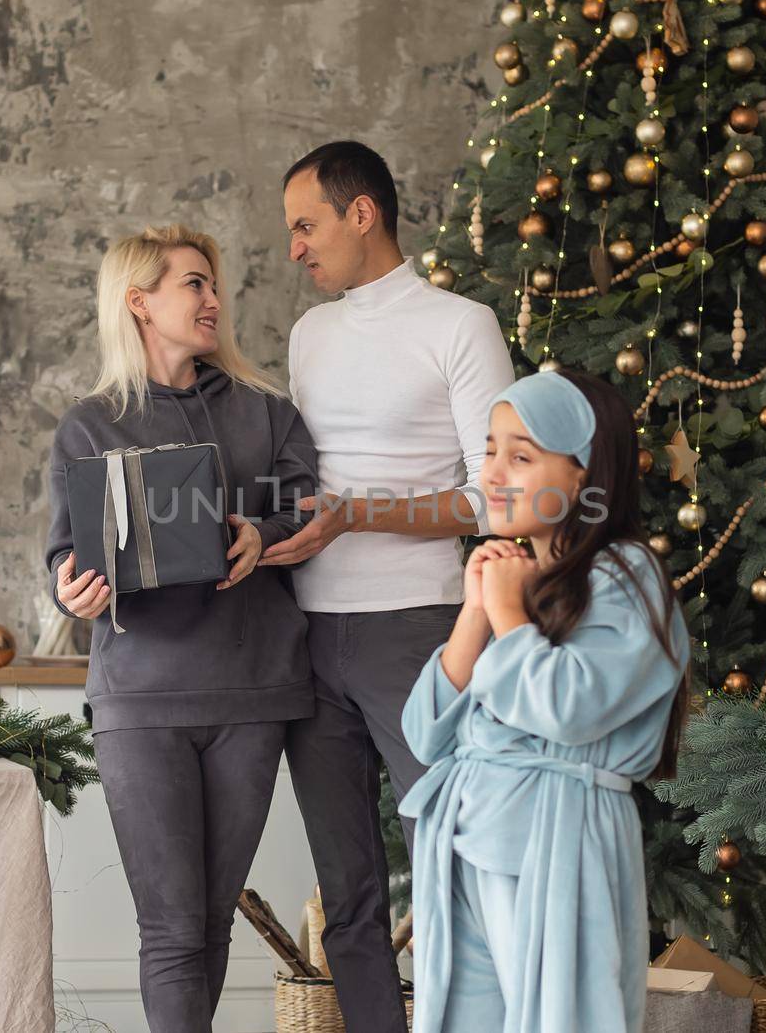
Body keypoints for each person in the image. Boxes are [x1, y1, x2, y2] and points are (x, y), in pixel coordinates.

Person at [262, 140, 516, 1032]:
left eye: (306, 224)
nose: (295, 248)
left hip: (421, 634)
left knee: (453, 866)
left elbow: (502, 495)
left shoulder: (460, 325)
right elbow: (306, 475)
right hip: (310, 636)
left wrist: (357, 513)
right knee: (348, 894)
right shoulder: (311, 334)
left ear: (361, 212)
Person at [43, 224, 319, 1033]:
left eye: (212, 283)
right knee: (170, 928)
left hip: (251, 692)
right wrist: (74, 592)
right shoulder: (88, 427)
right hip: (141, 701)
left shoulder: (266, 412)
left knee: (208, 924)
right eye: (192, 283)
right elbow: (65, 556)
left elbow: (308, 504)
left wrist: (261, 536)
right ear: (139, 302)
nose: (212, 299)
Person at [398, 370, 691, 1033]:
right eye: (491, 450)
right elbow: (425, 735)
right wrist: (476, 611)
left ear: (586, 475)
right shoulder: (517, 581)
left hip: (560, 840)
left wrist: (504, 611)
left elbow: (569, 707)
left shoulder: (627, 575)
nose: (493, 472)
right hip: (473, 837)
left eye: (521, 456)